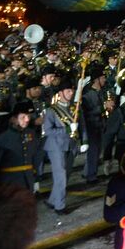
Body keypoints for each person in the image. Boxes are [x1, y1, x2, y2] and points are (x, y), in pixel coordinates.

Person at [0, 100, 38, 193]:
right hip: (10, 183)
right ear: (14, 118)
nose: (27, 120)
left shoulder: (31, 133)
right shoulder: (2, 137)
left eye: (28, 116)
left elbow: (33, 157)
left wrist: (35, 178)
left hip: (28, 182)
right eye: (23, 117)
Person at [44, 82, 77, 216]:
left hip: (70, 145)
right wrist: (67, 129)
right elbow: (48, 131)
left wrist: (84, 140)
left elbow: (83, 124)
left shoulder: (74, 108)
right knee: (61, 176)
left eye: (72, 91)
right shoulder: (51, 111)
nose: (71, 93)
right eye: (68, 90)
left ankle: (52, 200)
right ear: (61, 93)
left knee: (64, 176)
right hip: (56, 146)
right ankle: (59, 206)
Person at [80, 65, 109, 183]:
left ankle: (88, 172)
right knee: (93, 152)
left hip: (100, 125)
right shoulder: (87, 94)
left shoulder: (101, 91)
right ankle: (91, 176)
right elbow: (88, 112)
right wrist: (103, 107)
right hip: (91, 127)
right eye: (102, 78)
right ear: (96, 79)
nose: (104, 80)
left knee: (97, 152)